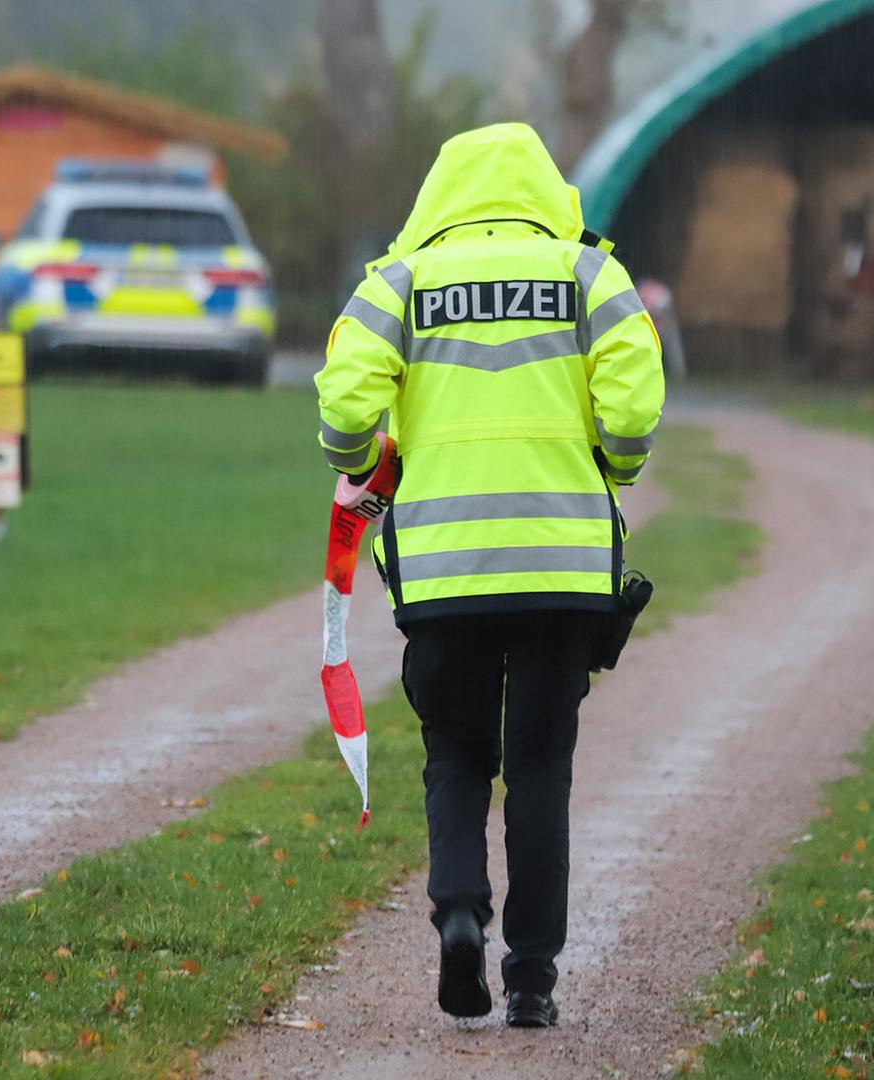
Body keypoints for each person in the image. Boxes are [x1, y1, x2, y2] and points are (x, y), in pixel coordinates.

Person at [314, 123, 664, 1028]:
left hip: (445, 570)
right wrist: (612, 468)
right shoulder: (591, 275)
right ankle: (533, 983)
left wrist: (361, 457)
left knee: (459, 751)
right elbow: (633, 401)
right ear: (544, 187)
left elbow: (345, 400)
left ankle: (461, 911)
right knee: (543, 765)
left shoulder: (399, 282)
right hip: (560, 568)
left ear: (443, 193)